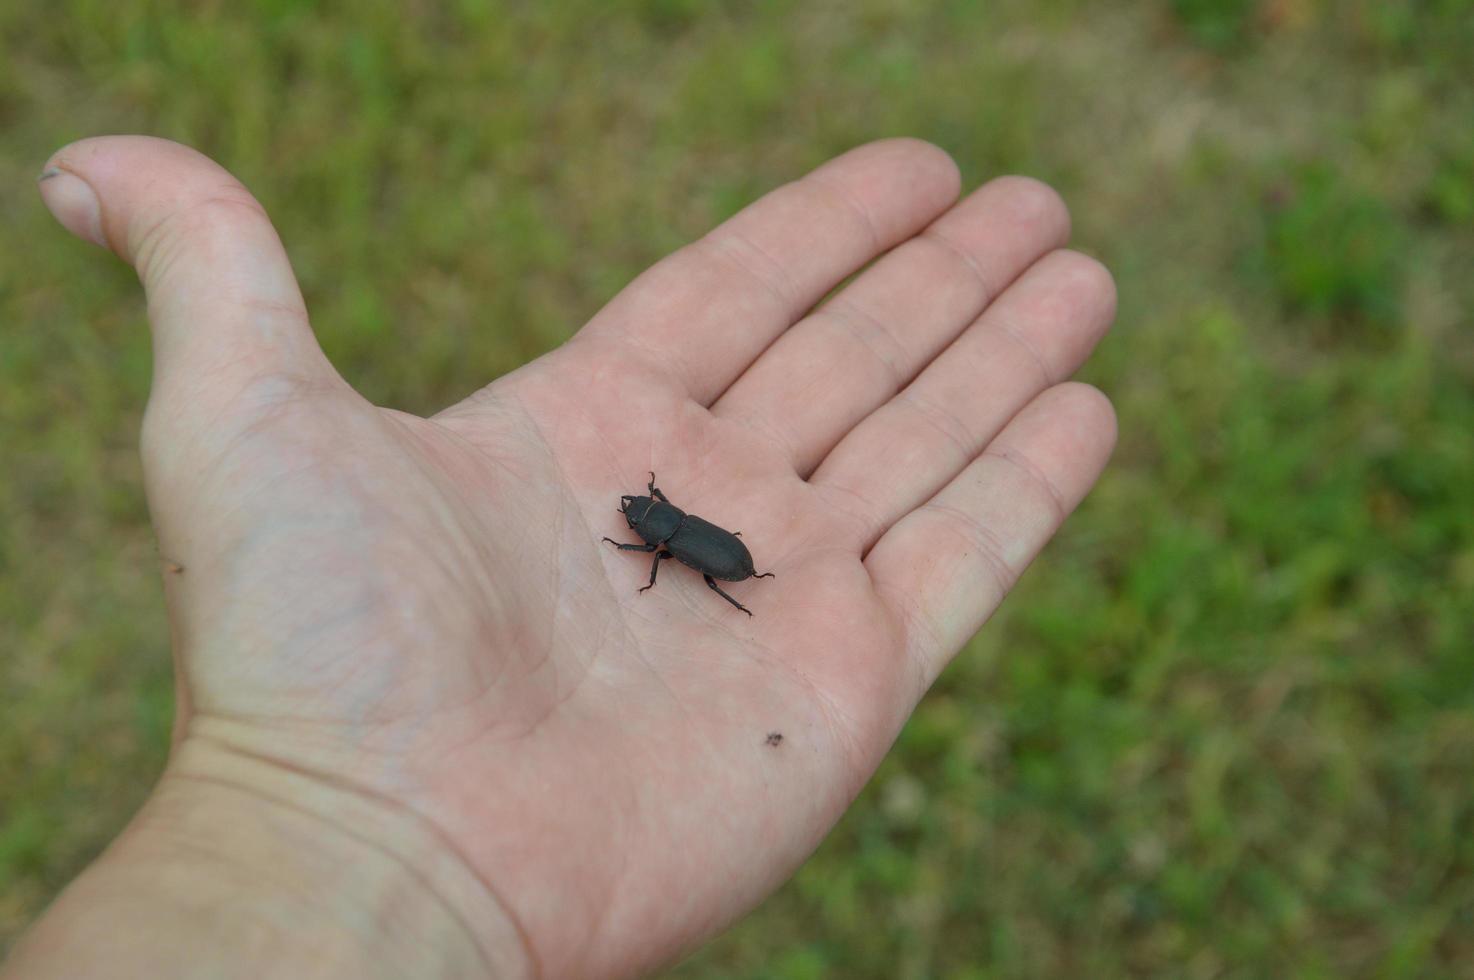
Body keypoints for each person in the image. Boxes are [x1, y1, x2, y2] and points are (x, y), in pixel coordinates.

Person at [4, 135, 1116, 979]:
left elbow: (668, 541)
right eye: (641, 519)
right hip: (724, 553)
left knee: (717, 567)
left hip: (725, 554)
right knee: (718, 566)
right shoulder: (666, 534)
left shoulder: (669, 540)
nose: (641, 524)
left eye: (645, 519)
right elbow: (666, 536)